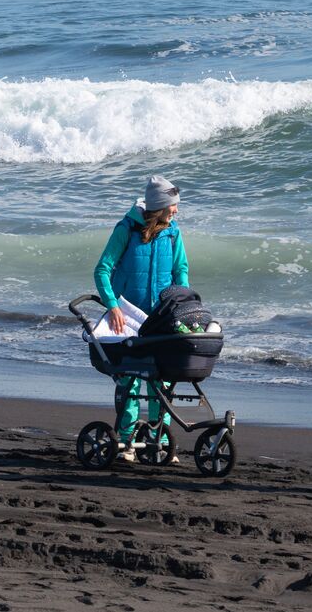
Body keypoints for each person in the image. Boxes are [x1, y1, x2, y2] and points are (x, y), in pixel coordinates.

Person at [93, 175, 189, 462]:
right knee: (129, 382)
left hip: (161, 319)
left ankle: (160, 441)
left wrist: (179, 301)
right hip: (129, 320)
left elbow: (180, 271)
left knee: (163, 381)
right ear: (159, 206)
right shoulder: (126, 230)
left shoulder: (173, 233)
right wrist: (113, 306)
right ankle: (127, 442)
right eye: (172, 206)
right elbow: (102, 270)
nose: (176, 211)